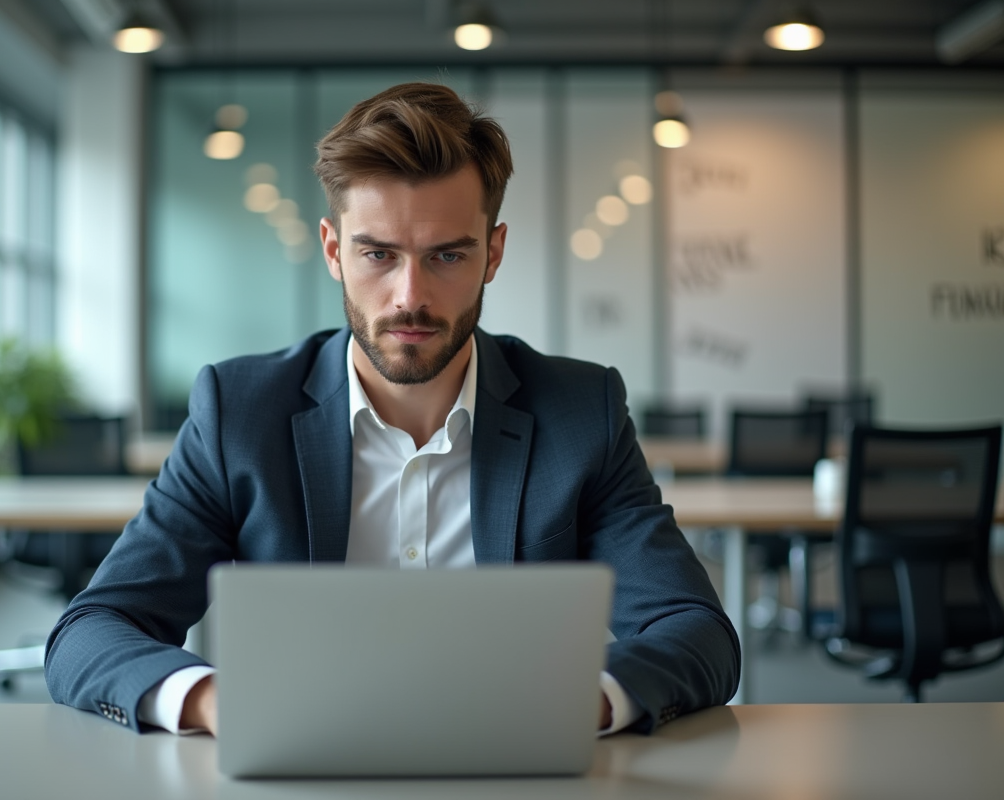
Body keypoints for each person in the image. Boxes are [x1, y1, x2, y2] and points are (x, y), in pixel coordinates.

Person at [45, 82, 739, 736]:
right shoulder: (240, 414)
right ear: (333, 250)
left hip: (518, 771)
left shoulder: (579, 413)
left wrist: (575, 704)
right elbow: (93, 630)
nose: (410, 295)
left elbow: (695, 631)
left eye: (446, 255)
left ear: (492, 253)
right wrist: (219, 701)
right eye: (378, 254)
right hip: (301, 768)